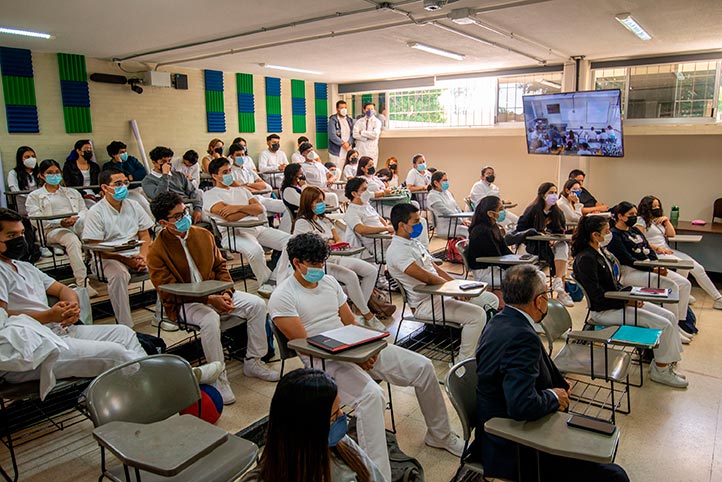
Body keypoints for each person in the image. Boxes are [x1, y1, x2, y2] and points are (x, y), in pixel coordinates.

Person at [269, 233, 465, 482]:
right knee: (372, 396)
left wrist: (367, 345)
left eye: (322, 263)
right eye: (314, 264)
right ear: (296, 263)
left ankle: (440, 434)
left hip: (351, 346)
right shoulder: (283, 296)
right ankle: (378, 476)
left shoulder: (329, 283)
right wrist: (355, 357)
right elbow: (306, 345)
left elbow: (349, 321)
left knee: (423, 367)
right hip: (322, 360)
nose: (320, 268)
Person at [471, 264, 630, 482]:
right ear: (539, 300)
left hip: (499, 426)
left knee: (596, 439)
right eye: (546, 293)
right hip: (513, 444)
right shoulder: (521, 337)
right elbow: (521, 405)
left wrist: (557, 384)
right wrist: (554, 395)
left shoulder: (499, 320)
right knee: (614, 477)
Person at [147, 192, 279, 403]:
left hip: (216, 293)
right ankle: (218, 377)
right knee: (209, 318)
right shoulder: (156, 250)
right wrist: (209, 300)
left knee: (256, 304)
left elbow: (220, 267)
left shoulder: (202, 235)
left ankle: (253, 360)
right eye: (178, 216)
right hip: (183, 303)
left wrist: (225, 293)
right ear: (164, 222)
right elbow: (168, 289)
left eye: (185, 212)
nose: (185, 218)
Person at [0, 208, 151, 385]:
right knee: (115, 354)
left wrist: (72, 307)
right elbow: (2, 317)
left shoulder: (24, 267)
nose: (19, 240)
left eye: (22, 234)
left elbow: (63, 290)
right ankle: (142, 390)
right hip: (29, 348)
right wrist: (48, 316)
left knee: (124, 333)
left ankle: (139, 385)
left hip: (55, 330)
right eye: (11, 236)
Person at [572, 215, 687, 388]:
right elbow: (597, 296)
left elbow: (614, 283)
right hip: (604, 311)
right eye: (606, 232)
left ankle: (665, 363)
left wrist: (630, 296)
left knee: (669, 316)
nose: (609, 234)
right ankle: (661, 371)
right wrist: (626, 301)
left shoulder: (600, 251)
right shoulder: (586, 259)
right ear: (595, 235)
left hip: (618, 301)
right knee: (662, 324)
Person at [386, 203, 498, 361]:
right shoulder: (397, 251)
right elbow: (427, 278)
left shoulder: (413, 242)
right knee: (476, 315)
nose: (420, 225)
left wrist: (459, 287)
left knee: (490, 299)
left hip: (441, 294)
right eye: (416, 222)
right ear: (401, 225)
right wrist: (454, 291)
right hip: (425, 303)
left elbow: (436, 270)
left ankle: (479, 344)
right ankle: (463, 362)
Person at [241, 367, 384, 482]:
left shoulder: (341, 445)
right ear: (309, 428)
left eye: (340, 408)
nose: (342, 416)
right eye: (334, 415)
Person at [293, 186, 382, 330]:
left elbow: (338, 240)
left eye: (322, 200)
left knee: (371, 271)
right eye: (318, 201)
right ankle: (366, 314)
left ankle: (359, 309)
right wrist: (328, 243)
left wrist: (329, 242)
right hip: (319, 262)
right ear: (308, 203)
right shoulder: (302, 223)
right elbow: (307, 247)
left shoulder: (325, 220)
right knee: (351, 277)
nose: (322, 204)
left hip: (335, 256)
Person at [203, 157, 290, 295]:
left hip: (257, 228)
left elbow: (259, 208)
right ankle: (266, 284)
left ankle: (274, 279)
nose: (229, 174)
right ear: (214, 176)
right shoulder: (210, 195)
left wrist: (236, 207)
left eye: (230, 170)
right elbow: (229, 218)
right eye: (225, 172)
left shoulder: (242, 190)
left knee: (291, 242)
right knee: (255, 251)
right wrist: (248, 209)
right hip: (233, 233)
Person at [607, 202, 693, 337]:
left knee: (685, 284)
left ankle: (678, 323)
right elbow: (627, 259)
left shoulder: (634, 230)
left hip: (648, 266)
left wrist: (657, 264)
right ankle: (673, 330)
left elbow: (649, 249)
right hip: (631, 271)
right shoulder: (615, 235)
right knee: (670, 286)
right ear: (620, 216)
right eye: (631, 214)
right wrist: (652, 269)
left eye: (635, 214)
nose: (634, 217)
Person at [82, 167, 154, 327]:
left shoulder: (134, 205)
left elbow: (145, 236)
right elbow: (96, 247)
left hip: (135, 253)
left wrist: (143, 256)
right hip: (107, 258)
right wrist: (126, 261)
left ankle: (164, 313)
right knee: (120, 274)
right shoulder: (96, 212)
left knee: (164, 264)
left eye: (125, 183)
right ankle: (126, 325)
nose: (123, 187)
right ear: (105, 188)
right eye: (118, 183)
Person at [26, 160, 98, 297]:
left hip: (75, 224)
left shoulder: (72, 192)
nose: (54, 175)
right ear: (41, 175)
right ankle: (82, 283)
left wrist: (75, 219)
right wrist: (60, 222)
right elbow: (36, 220)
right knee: (72, 240)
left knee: (92, 232)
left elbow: (83, 210)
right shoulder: (34, 196)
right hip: (50, 230)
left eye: (57, 172)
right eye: (50, 173)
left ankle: (99, 267)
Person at [636, 195, 722, 310]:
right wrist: (657, 248)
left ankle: (688, 294)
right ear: (646, 207)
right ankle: (716, 298)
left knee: (698, 268)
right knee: (684, 266)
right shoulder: (640, 221)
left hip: (668, 251)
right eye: (654, 206)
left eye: (658, 205)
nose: (656, 208)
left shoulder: (658, 220)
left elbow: (671, 234)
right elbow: (640, 240)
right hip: (655, 253)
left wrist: (666, 222)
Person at [517, 182, 574, 307]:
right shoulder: (532, 210)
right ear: (543, 195)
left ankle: (558, 282)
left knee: (562, 246)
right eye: (551, 193)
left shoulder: (557, 212)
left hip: (550, 245)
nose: (554, 195)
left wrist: (553, 238)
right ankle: (560, 288)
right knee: (560, 257)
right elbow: (520, 230)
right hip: (533, 245)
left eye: (555, 192)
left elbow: (560, 230)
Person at [141, 146, 203, 225]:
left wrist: (197, 209)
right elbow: (159, 197)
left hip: (190, 205)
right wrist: (165, 176)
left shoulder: (179, 175)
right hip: (171, 212)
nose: (167, 164)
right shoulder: (148, 181)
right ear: (154, 162)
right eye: (163, 161)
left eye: (169, 161)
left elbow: (193, 191)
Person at [228, 143, 285, 217]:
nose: (241, 157)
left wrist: (247, 185)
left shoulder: (249, 170)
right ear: (232, 157)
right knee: (262, 211)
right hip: (246, 201)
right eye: (238, 155)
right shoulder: (230, 172)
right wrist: (255, 188)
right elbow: (241, 189)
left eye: (243, 154)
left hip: (260, 198)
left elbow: (263, 185)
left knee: (286, 206)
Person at [467, 196, 513, 285]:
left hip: (495, 267)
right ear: (490, 213)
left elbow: (504, 249)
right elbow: (496, 257)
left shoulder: (493, 226)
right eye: (500, 209)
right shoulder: (481, 231)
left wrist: (518, 261)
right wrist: (517, 268)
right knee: (526, 279)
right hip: (486, 272)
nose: (502, 211)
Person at [103, 140, 152, 217]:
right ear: (114, 154)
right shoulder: (108, 166)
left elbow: (143, 171)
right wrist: (120, 164)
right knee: (142, 204)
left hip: (139, 187)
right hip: (126, 191)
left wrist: (132, 176)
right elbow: (118, 176)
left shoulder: (131, 160)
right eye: (121, 152)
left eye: (125, 151)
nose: (125, 154)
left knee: (150, 202)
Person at [427, 171, 469, 239]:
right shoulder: (432, 196)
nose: (446, 182)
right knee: (467, 231)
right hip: (446, 227)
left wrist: (464, 220)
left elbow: (457, 208)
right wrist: (461, 221)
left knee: (476, 228)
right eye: (444, 180)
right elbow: (445, 212)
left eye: (447, 180)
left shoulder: (447, 193)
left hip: (457, 223)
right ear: (436, 183)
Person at [299, 142, 340, 208]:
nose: (311, 153)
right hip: (317, 193)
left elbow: (331, 175)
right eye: (308, 151)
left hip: (328, 189)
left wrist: (330, 180)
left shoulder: (319, 164)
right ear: (303, 154)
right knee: (333, 197)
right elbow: (303, 184)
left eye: (312, 150)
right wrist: (319, 190)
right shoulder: (303, 167)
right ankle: (336, 214)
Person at [63, 139, 101, 207]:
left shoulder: (94, 166)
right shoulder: (69, 166)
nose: (89, 151)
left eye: (90, 149)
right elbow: (68, 184)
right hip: (77, 193)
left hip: (93, 192)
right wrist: (84, 195)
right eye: (86, 149)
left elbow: (98, 182)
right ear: (78, 151)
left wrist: (100, 192)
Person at [7, 146, 40, 216]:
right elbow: (14, 189)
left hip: (39, 202)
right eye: (27, 157)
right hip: (23, 204)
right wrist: (31, 198)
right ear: (20, 159)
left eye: (33, 156)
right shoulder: (13, 173)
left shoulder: (39, 172)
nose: (31, 159)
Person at [328, 100, 355, 166]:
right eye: (342, 108)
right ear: (337, 109)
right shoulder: (333, 120)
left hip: (348, 149)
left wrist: (348, 143)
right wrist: (343, 143)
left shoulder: (349, 120)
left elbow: (353, 134)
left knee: (348, 171)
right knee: (337, 171)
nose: (344, 110)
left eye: (345, 108)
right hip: (337, 150)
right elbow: (332, 135)